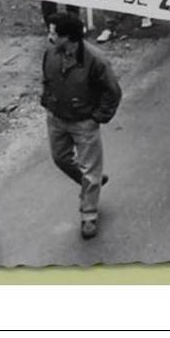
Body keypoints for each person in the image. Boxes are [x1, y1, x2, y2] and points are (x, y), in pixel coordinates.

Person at [42, 12, 122, 239]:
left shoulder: (96, 60)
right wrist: (47, 102)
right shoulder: (50, 53)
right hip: (57, 118)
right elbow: (46, 79)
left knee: (90, 169)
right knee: (60, 158)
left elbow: (112, 91)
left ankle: (89, 214)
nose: (49, 36)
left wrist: (98, 117)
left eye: (53, 33)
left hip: (84, 123)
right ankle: (92, 183)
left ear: (67, 37)